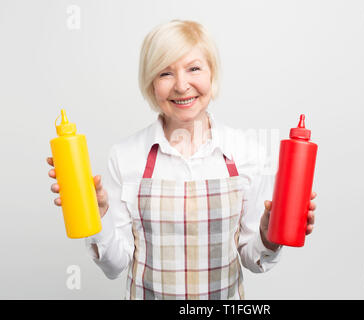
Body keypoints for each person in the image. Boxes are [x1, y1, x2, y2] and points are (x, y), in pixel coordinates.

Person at [47, 19, 317, 300]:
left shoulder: (247, 153)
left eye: (194, 68)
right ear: (151, 84)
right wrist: (97, 213)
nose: (181, 85)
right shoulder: (125, 156)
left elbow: (254, 261)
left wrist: (268, 233)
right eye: (165, 73)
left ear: (212, 75)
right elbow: (115, 266)